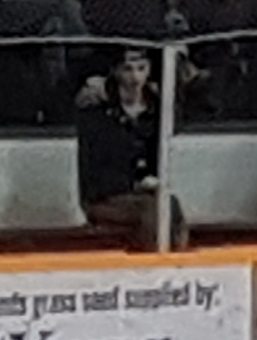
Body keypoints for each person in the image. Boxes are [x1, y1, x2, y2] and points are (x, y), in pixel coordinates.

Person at [74, 45, 179, 251]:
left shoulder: (155, 109)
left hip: (142, 191)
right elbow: (95, 165)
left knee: (171, 204)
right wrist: (133, 184)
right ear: (116, 71)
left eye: (141, 68)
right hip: (104, 196)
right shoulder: (98, 111)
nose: (135, 77)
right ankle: (151, 264)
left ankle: (179, 262)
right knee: (151, 210)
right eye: (128, 69)